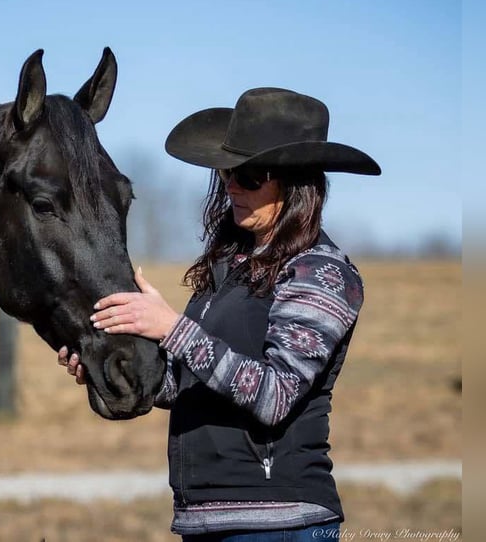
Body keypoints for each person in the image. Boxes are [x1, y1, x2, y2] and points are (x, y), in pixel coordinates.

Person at [58, 87, 381, 541]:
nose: (231, 183)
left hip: (280, 522)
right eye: (228, 170)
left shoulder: (321, 273)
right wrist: (118, 359)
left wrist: (172, 328)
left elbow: (275, 394)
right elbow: (189, 383)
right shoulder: (228, 270)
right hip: (202, 519)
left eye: (251, 174)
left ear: (297, 183)